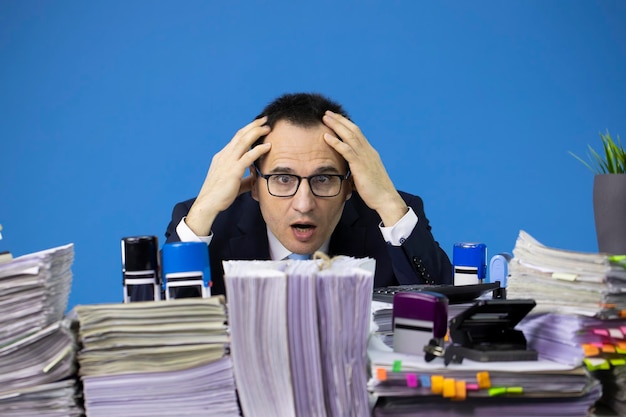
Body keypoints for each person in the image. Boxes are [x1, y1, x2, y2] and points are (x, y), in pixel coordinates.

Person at [165, 92, 452, 296]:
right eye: (283, 178)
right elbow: (152, 326)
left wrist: (389, 202)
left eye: (324, 179)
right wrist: (202, 212)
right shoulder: (207, 223)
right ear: (254, 183)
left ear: (351, 184)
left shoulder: (390, 218)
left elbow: (450, 307)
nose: (304, 204)